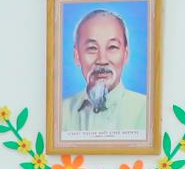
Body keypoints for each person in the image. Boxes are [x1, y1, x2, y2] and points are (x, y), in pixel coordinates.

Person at [58, 8, 148, 138]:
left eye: (112, 47)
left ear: (126, 55)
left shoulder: (147, 110)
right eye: (92, 48)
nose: (102, 60)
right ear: (76, 56)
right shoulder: (60, 113)